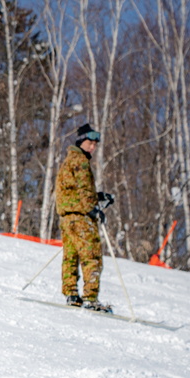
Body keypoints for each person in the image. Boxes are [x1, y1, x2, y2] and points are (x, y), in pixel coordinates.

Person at [55, 123, 115, 311]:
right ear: (81, 141)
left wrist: (98, 197)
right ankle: (90, 298)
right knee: (92, 255)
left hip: (67, 218)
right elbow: (84, 189)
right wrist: (93, 209)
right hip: (81, 218)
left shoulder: (68, 160)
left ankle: (71, 294)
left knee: (71, 256)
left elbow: (75, 191)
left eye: (95, 144)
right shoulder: (80, 161)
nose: (93, 147)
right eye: (90, 142)